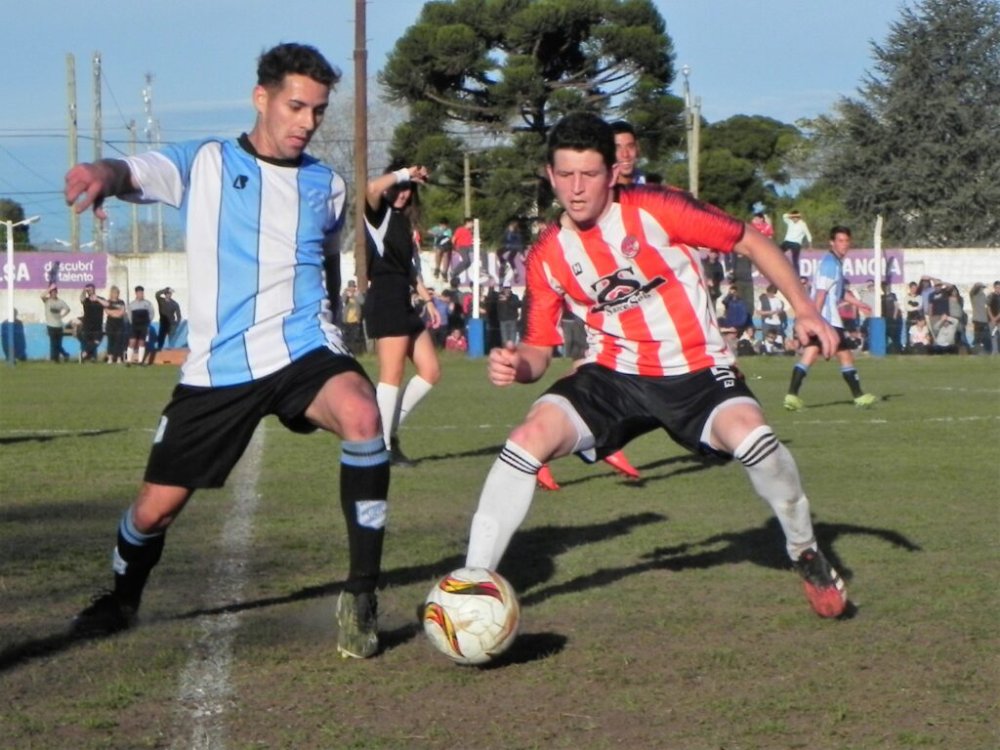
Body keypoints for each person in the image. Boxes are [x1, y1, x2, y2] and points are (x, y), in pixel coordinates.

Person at [63, 42, 389, 659]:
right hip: (220, 368)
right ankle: (121, 599)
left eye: (317, 111)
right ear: (261, 98)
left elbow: (322, 264)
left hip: (303, 350)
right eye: (296, 106)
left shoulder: (328, 185)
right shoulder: (205, 162)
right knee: (153, 513)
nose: (306, 122)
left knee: (364, 415)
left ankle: (362, 595)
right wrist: (100, 175)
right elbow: (131, 172)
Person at [462, 113, 848, 619]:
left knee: (756, 442)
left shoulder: (656, 210)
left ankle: (804, 552)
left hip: (697, 371)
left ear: (611, 172)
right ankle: (471, 585)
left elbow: (748, 241)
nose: (577, 190)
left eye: (589, 174)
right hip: (613, 374)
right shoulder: (546, 255)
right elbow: (539, 348)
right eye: (566, 175)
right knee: (526, 438)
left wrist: (804, 308)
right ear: (549, 175)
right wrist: (518, 364)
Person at [363, 160, 442, 467]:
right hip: (384, 299)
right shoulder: (378, 214)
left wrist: (428, 300)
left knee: (431, 371)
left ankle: (389, 434)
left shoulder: (403, 222)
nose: (403, 194)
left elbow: (410, 269)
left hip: (404, 301)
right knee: (391, 375)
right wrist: (406, 173)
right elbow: (371, 187)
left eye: (408, 189)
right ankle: (379, 449)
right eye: (399, 187)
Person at [784, 227, 877, 411]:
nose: (844, 244)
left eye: (846, 241)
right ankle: (859, 396)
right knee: (845, 356)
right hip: (828, 320)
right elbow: (821, 293)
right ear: (831, 242)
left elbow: (839, 292)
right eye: (840, 241)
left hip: (823, 319)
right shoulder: (830, 264)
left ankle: (791, 396)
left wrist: (859, 304)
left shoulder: (835, 263)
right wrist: (816, 318)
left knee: (809, 354)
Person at [124, 286, 156, 365]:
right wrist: (132, 323)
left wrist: (148, 322)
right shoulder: (132, 304)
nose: (141, 294)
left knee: (142, 342)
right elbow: (129, 315)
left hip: (144, 326)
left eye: (142, 293)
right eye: (139, 293)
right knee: (132, 342)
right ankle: (128, 361)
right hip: (134, 326)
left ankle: (140, 361)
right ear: (136, 293)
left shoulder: (147, 303)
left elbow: (152, 313)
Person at [610, 120, 645, 186]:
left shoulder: (649, 185)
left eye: (630, 146)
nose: (625, 154)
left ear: (637, 148)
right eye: (617, 148)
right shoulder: (599, 191)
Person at [41, 285, 71, 362]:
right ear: (50, 294)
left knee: (58, 344)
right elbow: (42, 296)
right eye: (52, 293)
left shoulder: (60, 302)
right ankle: (54, 358)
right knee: (53, 343)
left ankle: (62, 356)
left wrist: (62, 316)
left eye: (55, 292)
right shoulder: (48, 301)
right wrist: (49, 288)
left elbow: (68, 309)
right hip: (51, 325)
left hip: (59, 325)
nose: (53, 294)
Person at [78, 283, 107, 363]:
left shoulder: (100, 299)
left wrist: (97, 299)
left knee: (97, 341)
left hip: (98, 326)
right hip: (87, 326)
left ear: (94, 289)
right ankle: (91, 358)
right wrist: (84, 290)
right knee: (89, 342)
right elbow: (81, 299)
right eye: (88, 290)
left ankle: (84, 354)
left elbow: (107, 304)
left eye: (91, 289)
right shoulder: (86, 300)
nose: (90, 291)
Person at [780, 209, 812, 274]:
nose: (794, 219)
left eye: (796, 218)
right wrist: (794, 215)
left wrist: (810, 246)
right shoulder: (790, 221)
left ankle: (797, 276)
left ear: (798, 218)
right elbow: (784, 216)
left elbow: (808, 234)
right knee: (777, 251)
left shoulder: (802, 224)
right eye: (793, 218)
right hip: (787, 241)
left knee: (795, 260)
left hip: (796, 243)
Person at [339, 280, 366, 355]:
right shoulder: (345, 294)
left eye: (353, 287)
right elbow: (343, 301)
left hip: (355, 320)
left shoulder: (357, 294)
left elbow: (362, 302)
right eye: (350, 287)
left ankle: (357, 352)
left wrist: (355, 295)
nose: (352, 288)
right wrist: (346, 294)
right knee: (347, 337)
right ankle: (347, 351)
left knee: (356, 337)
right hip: (347, 320)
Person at [104, 285, 128, 363]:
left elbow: (122, 312)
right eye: (114, 293)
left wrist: (115, 313)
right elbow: (107, 311)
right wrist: (115, 313)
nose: (116, 294)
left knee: (119, 341)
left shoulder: (121, 302)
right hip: (110, 323)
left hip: (119, 324)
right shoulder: (108, 302)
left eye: (117, 293)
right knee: (110, 341)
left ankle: (119, 358)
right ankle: (110, 358)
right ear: (111, 293)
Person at [154, 287, 182, 351]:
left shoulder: (174, 304)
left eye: (169, 293)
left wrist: (176, 324)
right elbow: (157, 294)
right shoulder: (161, 301)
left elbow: (179, 316)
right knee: (161, 338)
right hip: (163, 323)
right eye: (167, 293)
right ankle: (159, 351)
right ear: (165, 294)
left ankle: (170, 353)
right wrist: (165, 290)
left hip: (171, 324)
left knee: (171, 340)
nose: (168, 295)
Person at [449, 216, 474, 285]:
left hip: (469, 247)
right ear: (467, 223)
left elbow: (470, 241)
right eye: (471, 223)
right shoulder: (460, 229)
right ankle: (454, 271)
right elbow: (453, 239)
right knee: (466, 260)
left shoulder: (470, 231)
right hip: (462, 247)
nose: (472, 225)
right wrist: (453, 248)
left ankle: (456, 273)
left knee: (468, 262)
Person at [987, 281, 1000, 355]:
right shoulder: (990, 296)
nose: (998, 289)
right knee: (993, 336)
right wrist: (992, 318)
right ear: (994, 288)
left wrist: (996, 318)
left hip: (998, 320)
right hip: (991, 321)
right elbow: (988, 308)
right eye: (997, 287)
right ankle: (995, 352)